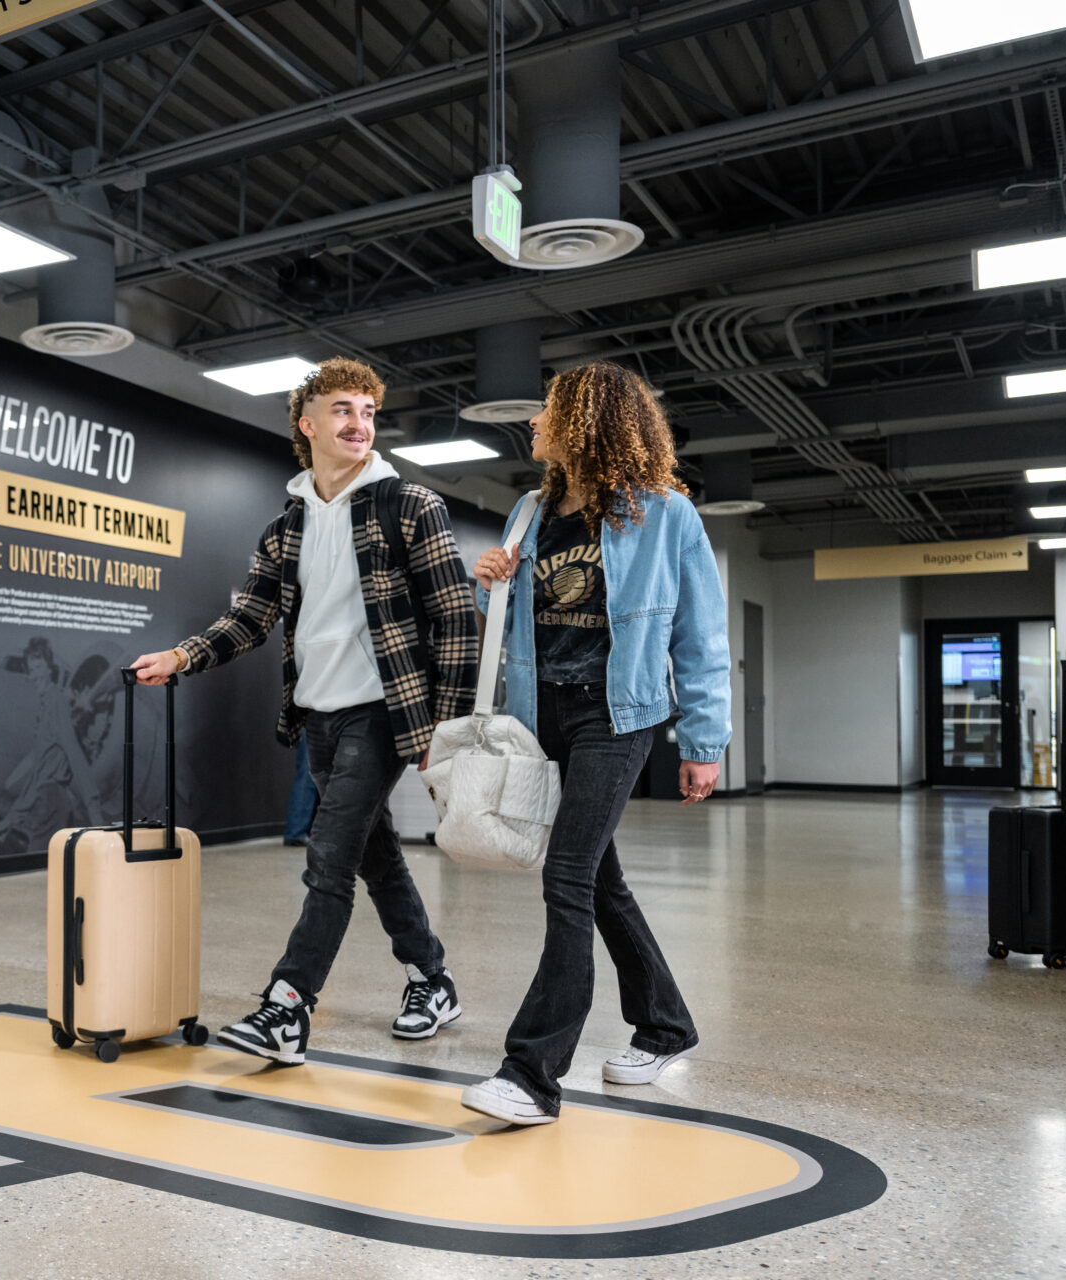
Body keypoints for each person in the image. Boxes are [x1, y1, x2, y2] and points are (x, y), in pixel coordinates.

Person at [132, 357, 479, 1064]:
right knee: (374, 857)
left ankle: (287, 1007)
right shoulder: (285, 528)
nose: (360, 424)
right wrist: (183, 656)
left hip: (385, 710)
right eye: (344, 410)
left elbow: (455, 619)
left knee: (327, 858)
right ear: (308, 424)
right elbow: (252, 617)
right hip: (318, 717)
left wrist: (445, 726)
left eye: (369, 412)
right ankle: (432, 979)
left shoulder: (410, 506)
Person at [461, 360, 730, 1127]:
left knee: (568, 875)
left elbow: (701, 636)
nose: (537, 421)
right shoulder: (526, 512)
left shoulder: (664, 514)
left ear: (585, 421)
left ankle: (532, 1074)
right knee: (600, 882)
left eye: (549, 409)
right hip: (543, 716)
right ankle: (667, 1026)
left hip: (619, 716)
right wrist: (491, 580)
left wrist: (704, 740)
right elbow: (517, 617)